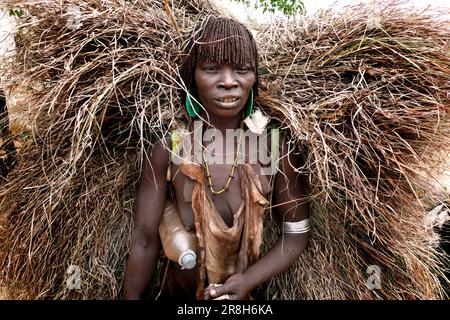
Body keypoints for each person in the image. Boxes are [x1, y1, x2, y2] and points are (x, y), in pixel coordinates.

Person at [122, 16, 310, 300]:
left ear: (254, 76)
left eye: (242, 69)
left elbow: (296, 234)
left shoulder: (275, 147)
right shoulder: (169, 149)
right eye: (211, 69)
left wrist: (248, 280)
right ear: (192, 76)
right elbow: (145, 240)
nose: (228, 82)